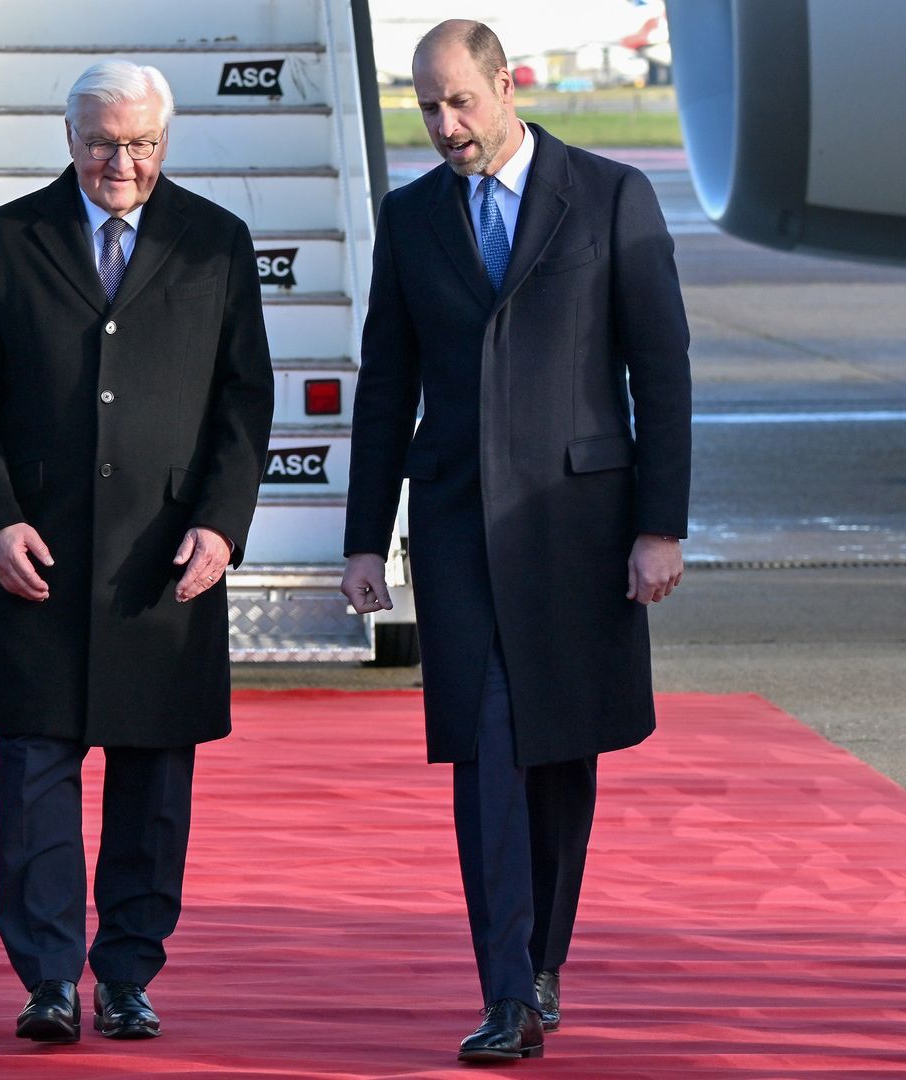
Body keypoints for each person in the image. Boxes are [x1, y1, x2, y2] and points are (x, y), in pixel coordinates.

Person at [339, 20, 692, 1064]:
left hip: (581, 530)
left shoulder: (612, 196)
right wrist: (365, 539)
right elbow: (386, 386)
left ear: (505, 87)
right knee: (487, 749)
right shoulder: (411, 219)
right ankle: (504, 991)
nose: (444, 124)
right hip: (459, 530)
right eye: (427, 107)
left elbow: (660, 370)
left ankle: (541, 961)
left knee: (559, 754)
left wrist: (660, 527)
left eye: (459, 101)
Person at [0, 60, 275, 1044]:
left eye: (140, 144)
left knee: (153, 787)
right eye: (101, 143)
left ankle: (126, 976)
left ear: (165, 141)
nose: (120, 163)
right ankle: (48, 979)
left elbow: (245, 401)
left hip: (164, 564)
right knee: (34, 779)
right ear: (69, 136)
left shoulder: (216, 240)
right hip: (38, 559)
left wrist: (222, 522)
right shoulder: (8, 239)